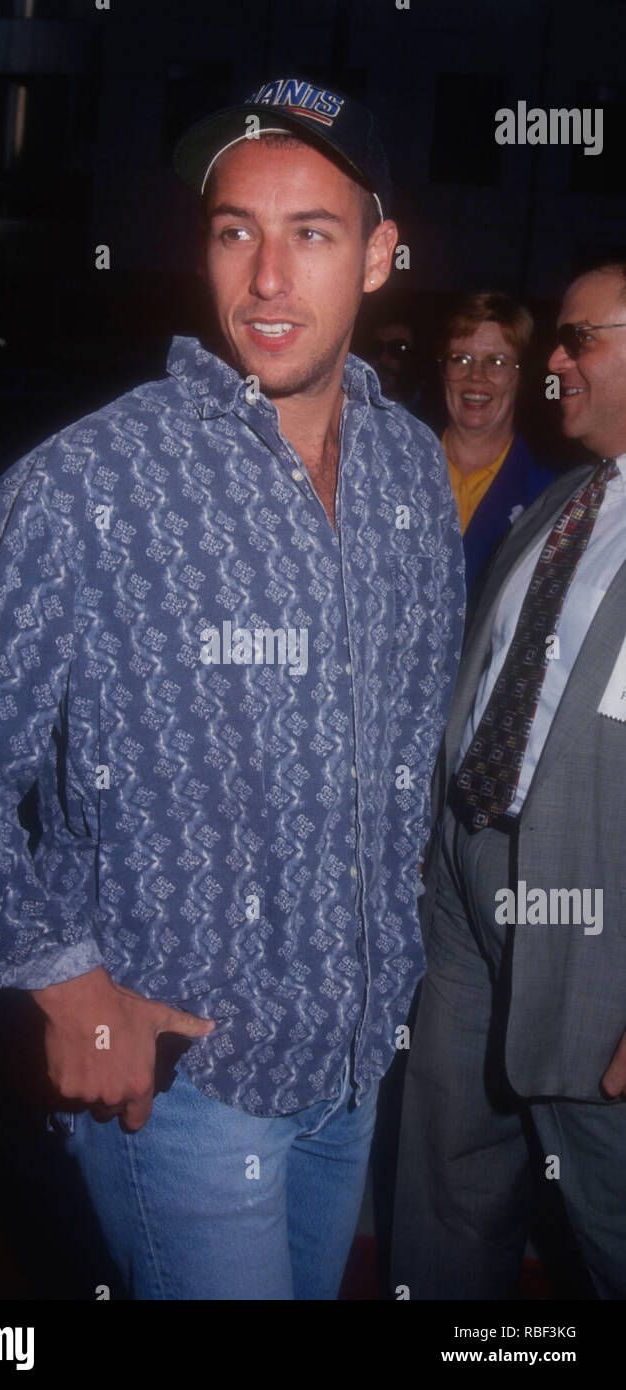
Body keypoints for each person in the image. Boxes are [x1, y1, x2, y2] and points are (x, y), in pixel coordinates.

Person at [0, 76, 464, 1300]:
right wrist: (65, 980)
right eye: (233, 230)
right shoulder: (96, 478)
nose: (264, 277)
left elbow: (406, 746)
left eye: (309, 232)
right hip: (185, 1079)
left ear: (377, 256)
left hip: (350, 1065)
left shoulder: (412, 477)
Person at [391, 261, 626, 1300]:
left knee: (603, 1209)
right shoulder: (567, 502)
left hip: (597, 926)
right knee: (447, 1179)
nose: (554, 365)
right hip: (466, 875)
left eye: (577, 340)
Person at [438, 292, 556, 593]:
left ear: (521, 377)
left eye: (498, 362)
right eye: (460, 359)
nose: (476, 377)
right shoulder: (396, 470)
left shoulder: (549, 496)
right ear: (443, 369)